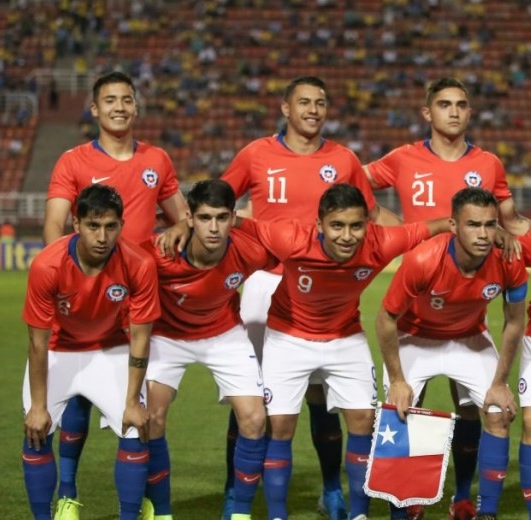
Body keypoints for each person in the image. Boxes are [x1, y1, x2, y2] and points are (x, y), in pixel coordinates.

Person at [219, 75, 397, 520]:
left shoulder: (343, 158)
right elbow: (221, 199)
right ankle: (233, 492)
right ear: (285, 107)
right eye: (304, 102)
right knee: (250, 396)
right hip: (265, 284)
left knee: (323, 395)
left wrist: (433, 236)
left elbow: (372, 215)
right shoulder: (256, 154)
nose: (313, 109)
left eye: (320, 102)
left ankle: (332, 489)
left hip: (327, 284)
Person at [364, 77, 529, 520]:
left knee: (475, 412)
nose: (453, 112)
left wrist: (516, 232)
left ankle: (464, 497)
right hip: (419, 300)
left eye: (461, 105)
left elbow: (510, 221)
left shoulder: (489, 164)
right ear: (427, 113)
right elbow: (353, 183)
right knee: (403, 413)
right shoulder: (403, 158)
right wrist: (399, 229)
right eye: (444, 104)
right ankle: (408, 502)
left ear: (470, 112)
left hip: (469, 314)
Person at [240, 183, 450, 520]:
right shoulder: (290, 237)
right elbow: (239, 224)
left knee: (364, 422)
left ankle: (359, 515)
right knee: (279, 426)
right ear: (319, 223)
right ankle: (277, 516)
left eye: (356, 226)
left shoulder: (382, 241)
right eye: (337, 226)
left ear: (368, 224)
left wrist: (493, 231)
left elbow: (438, 225)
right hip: (288, 335)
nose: (347, 236)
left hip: (345, 337)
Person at [40, 70, 188, 518]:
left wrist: (178, 228)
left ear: (136, 107)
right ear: (95, 109)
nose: (119, 106)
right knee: (78, 400)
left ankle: (149, 502)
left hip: (141, 301)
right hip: (87, 298)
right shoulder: (73, 161)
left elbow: (181, 217)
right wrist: (62, 278)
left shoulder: (157, 159)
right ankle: (67, 493)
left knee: (145, 409)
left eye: (127, 99)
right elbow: (54, 226)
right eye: (110, 100)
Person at [376, 188, 528, 520]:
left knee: (498, 411)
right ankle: (403, 510)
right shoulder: (423, 259)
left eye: (490, 225)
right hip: (415, 336)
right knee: (398, 413)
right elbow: (386, 318)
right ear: (453, 225)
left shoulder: (509, 260)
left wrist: (500, 382)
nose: (484, 234)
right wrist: (399, 380)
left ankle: (479, 507)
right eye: (473, 224)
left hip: (469, 337)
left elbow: (515, 322)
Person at [22, 184, 159, 520]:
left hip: (110, 349)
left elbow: (140, 338)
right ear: (76, 224)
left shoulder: (139, 263)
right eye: (93, 226)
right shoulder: (47, 265)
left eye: (111, 226)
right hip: (58, 350)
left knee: (134, 427)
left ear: (121, 226)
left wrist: (132, 401)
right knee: (36, 430)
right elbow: (38, 344)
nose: (102, 236)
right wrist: (39, 406)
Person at [142, 180, 277, 520]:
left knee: (254, 418)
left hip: (223, 334)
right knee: (151, 417)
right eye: (204, 218)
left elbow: (298, 245)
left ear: (234, 217)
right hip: (167, 336)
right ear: (189, 217)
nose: (214, 228)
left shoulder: (251, 250)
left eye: (222, 218)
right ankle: (160, 512)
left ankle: (240, 513)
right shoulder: (158, 252)